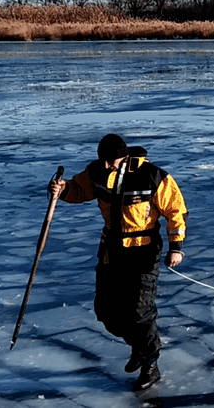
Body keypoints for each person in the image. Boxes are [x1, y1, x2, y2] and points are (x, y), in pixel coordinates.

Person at [48, 134, 187, 391]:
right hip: (111, 250)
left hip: (143, 252)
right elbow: (78, 190)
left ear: (125, 156)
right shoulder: (96, 172)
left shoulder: (152, 175)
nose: (109, 166)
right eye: (105, 161)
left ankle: (150, 362)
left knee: (139, 311)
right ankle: (139, 345)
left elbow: (175, 211)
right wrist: (62, 189)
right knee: (106, 312)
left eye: (113, 161)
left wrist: (176, 247)